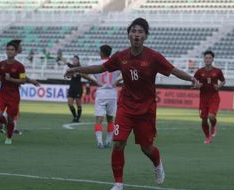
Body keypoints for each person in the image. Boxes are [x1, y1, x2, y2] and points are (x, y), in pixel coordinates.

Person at [65, 18, 199, 190]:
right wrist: (76, 69)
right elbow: (100, 68)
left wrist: (191, 78)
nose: (136, 34)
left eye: (140, 31)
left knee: (146, 148)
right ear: (129, 34)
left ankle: (158, 164)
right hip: (126, 107)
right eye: (133, 31)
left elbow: (172, 70)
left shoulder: (154, 57)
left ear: (145, 36)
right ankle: (118, 183)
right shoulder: (121, 56)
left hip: (146, 109)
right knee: (118, 143)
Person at [0, 39, 40, 135]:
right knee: (12, 112)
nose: (22, 48)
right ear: (16, 47)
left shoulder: (18, 61)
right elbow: (21, 77)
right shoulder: (10, 60)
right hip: (8, 90)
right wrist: (31, 81)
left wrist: (31, 81)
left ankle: (6, 125)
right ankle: (9, 127)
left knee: (13, 111)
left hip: (13, 89)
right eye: (21, 46)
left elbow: (22, 76)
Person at [0, 41, 26, 144]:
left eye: (12, 50)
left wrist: (11, 79)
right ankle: (5, 125)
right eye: (8, 49)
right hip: (2, 94)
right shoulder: (1, 64)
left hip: (14, 96)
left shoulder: (20, 66)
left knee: (11, 119)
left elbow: (23, 81)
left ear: (16, 52)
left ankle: (8, 138)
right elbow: (0, 75)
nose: (10, 51)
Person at [91, 45, 122, 149]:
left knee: (99, 119)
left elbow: (83, 72)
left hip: (101, 92)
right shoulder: (116, 65)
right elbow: (125, 73)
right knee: (110, 119)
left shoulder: (96, 64)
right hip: (112, 93)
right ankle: (108, 142)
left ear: (102, 53)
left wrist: (94, 81)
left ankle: (100, 142)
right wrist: (117, 80)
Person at [194, 50, 225, 144]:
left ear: (212, 59)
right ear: (204, 59)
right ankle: (208, 137)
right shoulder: (199, 71)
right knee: (204, 120)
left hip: (214, 97)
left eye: (209, 58)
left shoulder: (217, 71)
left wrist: (219, 86)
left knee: (211, 116)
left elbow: (223, 81)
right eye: (206, 58)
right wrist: (196, 85)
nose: (207, 60)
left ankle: (213, 126)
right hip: (203, 98)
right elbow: (194, 81)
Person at [65, 55, 99, 122]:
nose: (74, 61)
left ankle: (77, 118)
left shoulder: (80, 68)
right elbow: (66, 76)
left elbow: (85, 75)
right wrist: (68, 75)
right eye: (73, 60)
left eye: (75, 60)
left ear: (78, 61)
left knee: (78, 104)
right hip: (72, 87)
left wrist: (91, 80)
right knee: (69, 103)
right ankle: (75, 116)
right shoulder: (71, 68)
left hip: (78, 87)